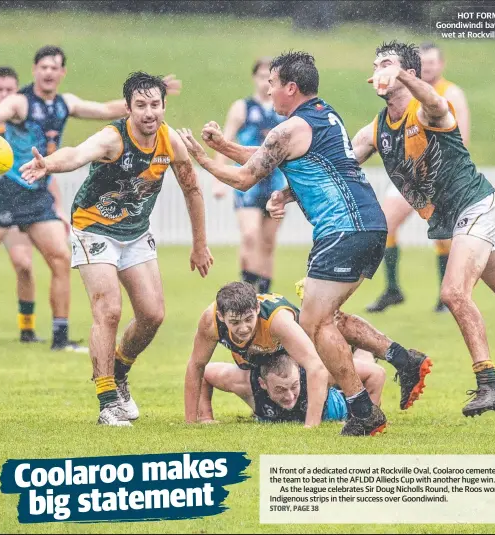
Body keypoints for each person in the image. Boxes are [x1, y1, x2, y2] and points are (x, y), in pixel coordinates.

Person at [179, 51, 431, 437]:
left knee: (314, 323)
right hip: (366, 226)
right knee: (330, 319)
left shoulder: (289, 128)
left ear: (290, 88)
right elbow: (270, 156)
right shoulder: (323, 115)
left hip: (343, 229)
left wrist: (202, 156)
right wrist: (226, 145)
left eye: (273, 83)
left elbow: (248, 177)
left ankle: (362, 410)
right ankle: (402, 359)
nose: (268, 89)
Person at [352, 40, 495, 417]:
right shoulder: (376, 129)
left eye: (388, 63)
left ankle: (489, 386)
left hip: (477, 206)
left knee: (453, 293)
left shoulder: (429, 108)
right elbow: (341, 164)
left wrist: (398, 74)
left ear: (410, 73)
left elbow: (435, 101)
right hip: (459, 218)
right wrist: (286, 190)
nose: (378, 69)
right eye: (376, 63)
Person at [20, 71, 213, 427]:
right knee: (108, 310)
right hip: (93, 227)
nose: (149, 113)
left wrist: (199, 244)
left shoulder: (171, 142)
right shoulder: (113, 138)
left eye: (155, 104)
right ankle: (107, 400)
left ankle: (120, 372)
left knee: (153, 315)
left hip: (135, 233)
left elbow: (193, 189)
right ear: (128, 108)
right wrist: (49, 164)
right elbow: (77, 154)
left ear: (164, 105)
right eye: (140, 105)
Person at [0, 45, 181, 352]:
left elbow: (107, 111)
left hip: (38, 194)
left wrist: (149, 99)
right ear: (35, 70)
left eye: (55, 67)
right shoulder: (19, 102)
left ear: (62, 73)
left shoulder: (65, 103)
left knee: (60, 258)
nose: (49, 72)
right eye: (44, 67)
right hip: (7, 191)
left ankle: (60, 337)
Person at [366, 42, 471, 314]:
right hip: (407, 174)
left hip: (439, 173)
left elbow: (461, 137)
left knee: (444, 236)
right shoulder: (398, 100)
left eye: (433, 62)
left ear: (441, 64)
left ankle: (445, 296)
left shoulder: (448, 94)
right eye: (424, 62)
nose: (429, 67)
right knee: (384, 224)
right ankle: (392, 289)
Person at [185, 281, 330, 428]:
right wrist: (196, 421)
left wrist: (311, 426)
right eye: (235, 322)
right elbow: (197, 365)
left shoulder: (279, 321)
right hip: (256, 365)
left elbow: (316, 367)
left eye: (249, 319)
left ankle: (354, 406)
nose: (243, 328)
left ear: (257, 308)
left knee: (346, 340)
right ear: (221, 316)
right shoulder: (211, 322)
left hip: (301, 354)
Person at [0, 65, 60, 343]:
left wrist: (58, 208)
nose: (5, 94)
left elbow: (38, 170)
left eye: (11, 89)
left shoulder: (20, 126)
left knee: (24, 264)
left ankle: (27, 329)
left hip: (15, 200)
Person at [212, 58, 286, 293]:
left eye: (270, 77)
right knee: (250, 235)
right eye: (262, 76)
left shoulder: (284, 110)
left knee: (268, 242)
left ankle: (264, 296)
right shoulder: (242, 108)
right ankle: (247, 290)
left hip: (276, 182)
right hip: (248, 181)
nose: (265, 81)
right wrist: (219, 178)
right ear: (254, 78)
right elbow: (223, 142)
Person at [198, 352, 385, 425]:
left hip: (337, 404)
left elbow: (376, 375)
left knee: (360, 366)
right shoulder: (246, 383)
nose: (289, 396)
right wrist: (206, 418)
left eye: (295, 387)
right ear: (263, 384)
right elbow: (203, 373)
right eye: (280, 390)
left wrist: (364, 422)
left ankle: (363, 350)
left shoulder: (318, 372)